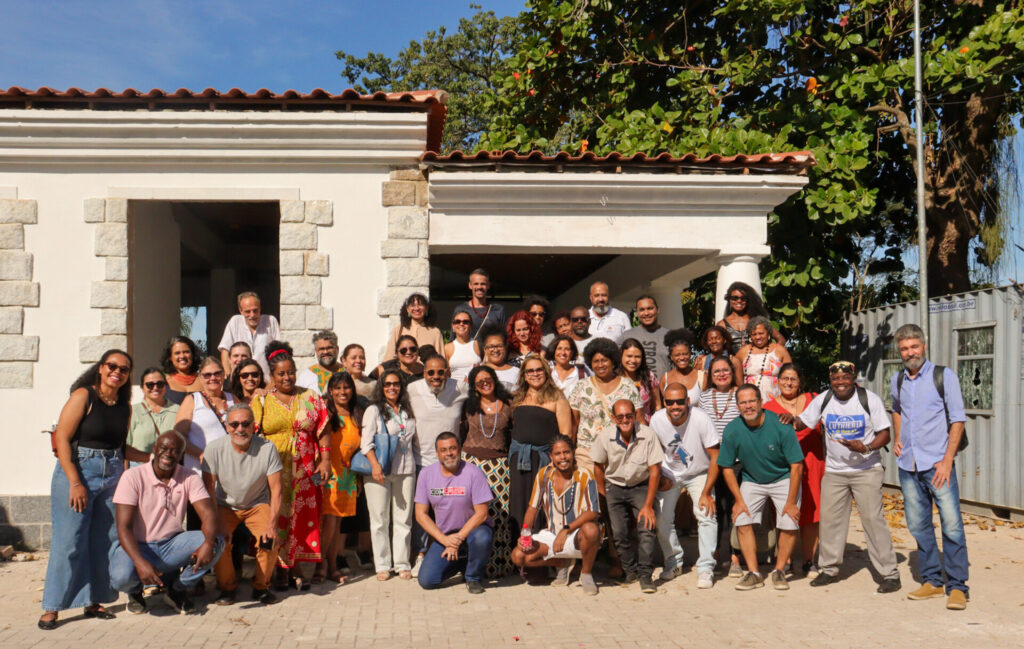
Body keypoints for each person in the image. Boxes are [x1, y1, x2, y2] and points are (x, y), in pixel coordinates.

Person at [39, 350, 146, 630]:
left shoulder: (124, 406)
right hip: (78, 471)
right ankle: (52, 606)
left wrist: (151, 457)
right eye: (112, 366)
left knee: (104, 540)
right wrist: (75, 482)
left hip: (112, 474)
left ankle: (94, 601)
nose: (117, 372)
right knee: (69, 542)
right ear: (100, 368)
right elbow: (62, 438)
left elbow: (120, 448)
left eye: (124, 369)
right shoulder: (84, 396)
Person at [783, 361, 901, 593]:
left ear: (853, 378)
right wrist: (791, 419)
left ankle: (890, 574)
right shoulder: (824, 399)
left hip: (866, 470)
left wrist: (866, 447)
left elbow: (885, 434)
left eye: (845, 378)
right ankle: (829, 569)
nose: (840, 383)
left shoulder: (869, 399)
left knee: (873, 521)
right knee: (830, 521)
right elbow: (803, 423)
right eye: (835, 379)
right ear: (831, 381)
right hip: (835, 472)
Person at [889, 323, 969, 610]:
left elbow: (958, 420)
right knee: (919, 525)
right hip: (908, 465)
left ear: (923, 346)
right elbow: (897, 409)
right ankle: (933, 581)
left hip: (937, 465)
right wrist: (898, 437)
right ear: (900, 352)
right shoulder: (897, 379)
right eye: (904, 349)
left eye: (914, 346)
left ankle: (958, 587)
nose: (910, 352)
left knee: (952, 525)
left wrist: (947, 461)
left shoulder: (943, 376)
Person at [109, 431, 223, 615]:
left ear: (181, 455)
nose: (168, 454)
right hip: (138, 545)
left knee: (217, 541)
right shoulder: (132, 476)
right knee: (120, 577)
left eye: (175, 450)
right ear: (155, 449)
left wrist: (208, 544)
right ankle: (134, 591)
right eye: (163, 448)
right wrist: (139, 562)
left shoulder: (189, 477)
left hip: (171, 545)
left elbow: (208, 515)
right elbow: (124, 527)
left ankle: (177, 589)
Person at [250, 341, 330, 589]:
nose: (287, 377)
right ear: (272, 376)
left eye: (291, 372)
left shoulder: (310, 397)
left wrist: (326, 460)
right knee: (278, 517)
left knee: (302, 518)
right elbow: (251, 434)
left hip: (307, 472)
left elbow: (323, 429)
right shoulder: (261, 401)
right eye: (281, 374)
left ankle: (296, 567)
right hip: (274, 471)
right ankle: (279, 570)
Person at [718, 385, 804, 591]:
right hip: (752, 479)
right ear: (737, 406)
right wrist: (739, 500)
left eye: (752, 401)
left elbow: (797, 465)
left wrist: (791, 502)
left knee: (789, 520)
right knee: (741, 518)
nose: (748, 406)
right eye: (743, 402)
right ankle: (754, 573)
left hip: (783, 477)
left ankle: (779, 570)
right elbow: (726, 467)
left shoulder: (781, 425)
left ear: (760, 402)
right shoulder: (732, 429)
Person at [200, 405, 284, 605]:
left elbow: (277, 490)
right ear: (227, 426)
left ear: (253, 425)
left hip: (257, 503)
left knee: (269, 540)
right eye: (234, 424)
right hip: (225, 505)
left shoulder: (267, 448)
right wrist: (215, 523)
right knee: (219, 541)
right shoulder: (214, 449)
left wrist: (272, 525)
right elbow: (209, 490)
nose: (240, 429)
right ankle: (227, 588)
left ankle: (261, 587)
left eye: (245, 424)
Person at [511, 434, 602, 595]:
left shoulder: (585, 475)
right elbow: (532, 508)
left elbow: (593, 512)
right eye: (558, 454)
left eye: (566, 452)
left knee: (591, 529)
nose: (563, 457)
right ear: (551, 457)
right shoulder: (544, 475)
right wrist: (525, 535)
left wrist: (567, 529)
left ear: (573, 453)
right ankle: (561, 563)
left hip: (577, 536)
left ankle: (586, 574)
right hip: (552, 535)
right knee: (518, 556)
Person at [650, 383, 720, 588]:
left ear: (688, 401)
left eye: (680, 401)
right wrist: (660, 478)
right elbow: (653, 452)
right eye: (670, 402)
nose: (675, 406)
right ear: (664, 402)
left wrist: (707, 492)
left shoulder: (700, 418)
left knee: (707, 514)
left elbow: (716, 456)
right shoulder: (657, 420)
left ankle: (706, 568)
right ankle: (674, 562)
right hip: (669, 473)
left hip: (699, 472)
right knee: (662, 518)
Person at [590, 399, 664, 594]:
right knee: (619, 532)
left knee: (646, 528)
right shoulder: (605, 437)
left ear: (635, 415)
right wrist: (603, 494)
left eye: (629, 416)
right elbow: (598, 466)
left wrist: (648, 505)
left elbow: (655, 470)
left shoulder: (648, 435)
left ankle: (645, 575)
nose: (625, 420)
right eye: (620, 416)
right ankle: (630, 571)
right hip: (614, 486)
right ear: (613, 418)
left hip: (640, 485)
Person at [407, 355, 469, 571]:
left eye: (440, 372)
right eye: (431, 372)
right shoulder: (412, 389)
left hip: (451, 463)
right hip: (421, 461)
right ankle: (421, 554)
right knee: (421, 512)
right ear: (424, 373)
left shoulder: (460, 388)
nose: (436, 376)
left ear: (447, 372)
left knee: (451, 509)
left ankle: (455, 552)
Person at [762, 363, 824, 576]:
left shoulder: (814, 400)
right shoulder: (768, 407)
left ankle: (809, 560)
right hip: (783, 467)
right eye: (784, 378)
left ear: (800, 382)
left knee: (812, 513)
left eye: (793, 379)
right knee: (783, 511)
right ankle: (785, 560)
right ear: (778, 381)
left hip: (813, 463)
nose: (788, 383)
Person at [414, 433, 494, 593]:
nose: (449, 453)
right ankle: (463, 563)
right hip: (445, 535)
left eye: (452, 448)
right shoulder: (426, 474)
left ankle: (473, 577)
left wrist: (456, 541)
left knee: (482, 538)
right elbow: (420, 514)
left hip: (473, 531)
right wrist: (444, 540)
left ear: (459, 450)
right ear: (437, 453)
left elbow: (482, 514)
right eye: (443, 450)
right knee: (427, 581)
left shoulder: (474, 473)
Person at [360, 369, 418, 581]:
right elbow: (366, 443)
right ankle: (382, 565)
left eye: (396, 384)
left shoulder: (408, 409)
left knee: (404, 519)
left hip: (406, 469)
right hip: (380, 470)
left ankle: (402, 563)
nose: (392, 387)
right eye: (387, 384)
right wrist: (375, 466)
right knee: (379, 519)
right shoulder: (374, 410)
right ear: (381, 387)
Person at [460, 365, 515, 578]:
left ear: (494, 379)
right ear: (474, 386)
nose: (485, 383)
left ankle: (498, 566)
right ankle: (471, 564)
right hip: (471, 463)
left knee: (499, 514)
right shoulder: (468, 405)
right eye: (479, 381)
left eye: (488, 378)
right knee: (472, 513)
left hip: (499, 466)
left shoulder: (509, 403)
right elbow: (461, 430)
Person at [509, 357, 572, 535]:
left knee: (540, 505)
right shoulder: (518, 397)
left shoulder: (557, 397)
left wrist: (557, 461)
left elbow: (566, 433)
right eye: (530, 371)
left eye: (539, 370)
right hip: (519, 460)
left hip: (544, 461)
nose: (535, 374)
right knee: (518, 504)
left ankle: (540, 548)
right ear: (524, 375)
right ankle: (519, 546)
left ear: (546, 372)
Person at [315, 372, 364, 584]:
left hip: (348, 477)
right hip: (329, 474)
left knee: (337, 526)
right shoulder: (325, 412)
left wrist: (359, 479)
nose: (342, 392)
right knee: (329, 523)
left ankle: (332, 567)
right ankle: (321, 567)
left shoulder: (357, 413)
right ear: (330, 391)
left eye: (346, 387)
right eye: (337, 388)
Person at [697, 355, 743, 576]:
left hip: (738, 461)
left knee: (737, 508)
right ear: (711, 375)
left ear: (732, 373)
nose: (722, 374)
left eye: (725, 370)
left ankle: (736, 557)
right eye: (717, 371)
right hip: (713, 461)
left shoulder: (741, 394)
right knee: (717, 508)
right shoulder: (704, 396)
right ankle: (713, 555)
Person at [568, 338, 641, 474]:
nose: (600, 365)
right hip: (587, 454)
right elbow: (574, 423)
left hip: (620, 454)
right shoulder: (581, 386)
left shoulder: (628, 386)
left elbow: (639, 420)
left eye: (604, 360)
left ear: (613, 361)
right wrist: (570, 450)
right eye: (596, 361)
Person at [174, 358, 234, 488]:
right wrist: (201, 455)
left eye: (217, 373)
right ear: (200, 378)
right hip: (199, 472)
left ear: (223, 375)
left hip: (230, 472)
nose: (213, 378)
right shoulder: (192, 400)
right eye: (207, 375)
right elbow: (178, 437)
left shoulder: (232, 399)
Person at [218, 291, 281, 377]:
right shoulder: (235, 322)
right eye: (247, 312)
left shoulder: (271, 321)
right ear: (241, 311)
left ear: (260, 308)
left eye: (255, 310)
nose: (252, 315)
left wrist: (274, 379)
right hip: (240, 380)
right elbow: (225, 350)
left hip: (266, 380)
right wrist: (228, 376)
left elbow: (278, 353)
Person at [126, 367, 179, 467]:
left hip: (170, 468)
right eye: (150, 385)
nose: (155, 388)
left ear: (166, 386)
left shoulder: (178, 410)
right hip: (139, 468)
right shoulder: (133, 411)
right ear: (142, 387)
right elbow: (125, 447)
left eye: (160, 384)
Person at [717, 282, 785, 355]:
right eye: (735, 298)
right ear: (729, 299)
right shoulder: (722, 325)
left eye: (743, 298)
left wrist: (770, 356)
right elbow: (718, 349)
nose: (739, 301)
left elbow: (781, 339)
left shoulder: (758, 321)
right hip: (733, 361)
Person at [735, 316, 791, 400]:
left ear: (768, 333)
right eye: (754, 334)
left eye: (761, 333)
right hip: (750, 401)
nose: (758, 337)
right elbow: (735, 375)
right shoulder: (743, 352)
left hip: (776, 400)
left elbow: (791, 375)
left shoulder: (780, 350)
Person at [383, 293, 445, 362]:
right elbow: (388, 359)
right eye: (413, 305)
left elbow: (440, 361)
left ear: (426, 308)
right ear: (407, 309)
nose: (417, 308)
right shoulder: (398, 330)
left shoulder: (435, 332)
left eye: (420, 305)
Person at [622, 295, 670, 378]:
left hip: (665, 385)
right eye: (642, 310)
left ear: (658, 310)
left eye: (650, 308)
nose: (646, 313)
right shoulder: (626, 336)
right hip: (635, 385)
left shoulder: (670, 336)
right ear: (637, 312)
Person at [620, 338, 662, 424]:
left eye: (637, 357)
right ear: (621, 356)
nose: (633, 361)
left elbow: (657, 405)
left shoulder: (649, 377)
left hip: (646, 427)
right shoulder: (614, 378)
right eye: (629, 356)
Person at [658, 329, 703, 405]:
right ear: (671, 357)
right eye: (677, 355)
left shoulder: (702, 377)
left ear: (690, 354)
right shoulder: (664, 379)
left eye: (685, 354)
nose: (682, 358)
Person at [458, 268, 506, 336]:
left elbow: (504, 338)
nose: (479, 287)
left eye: (483, 284)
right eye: (476, 284)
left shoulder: (498, 310)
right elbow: (453, 339)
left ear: (488, 285)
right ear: (470, 285)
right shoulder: (460, 310)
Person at [693, 325, 742, 390]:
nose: (714, 342)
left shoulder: (734, 361)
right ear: (707, 342)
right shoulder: (702, 361)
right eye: (710, 339)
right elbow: (695, 386)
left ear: (724, 340)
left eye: (717, 338)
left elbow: (740, 386)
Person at [444, 307, 482, 383]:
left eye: (465, 322)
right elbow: (446, 374)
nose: (461, 324)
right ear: (453, 326)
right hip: (455, 389)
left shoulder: (478, 345)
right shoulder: (447, 348)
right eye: (457, 321)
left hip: (475, 388)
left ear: (471, 326)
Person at [161, 335, 202, 405]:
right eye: (177, 353)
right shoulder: (162, 382)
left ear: (192, 354)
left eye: (186, 352)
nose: (182, 356)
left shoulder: (205, 380)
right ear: (170, 357)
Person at [479, 325, 520, 392]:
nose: (495, 350)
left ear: (506, 347)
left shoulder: (516, 372)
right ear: (485, 349)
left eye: (499, 346)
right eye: (491, 347)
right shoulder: (475, 371)